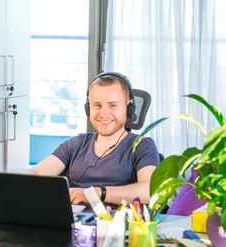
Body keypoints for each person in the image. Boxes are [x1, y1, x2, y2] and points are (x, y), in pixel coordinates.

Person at [29, 72, 160, 206]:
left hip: (116, 223)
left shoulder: (142, 145)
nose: (103, 114)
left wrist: (96, 193)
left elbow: (149, 191)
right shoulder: (76, 144)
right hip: (73, 221)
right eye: (97, 105)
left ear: (129, 108)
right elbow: (37, 172)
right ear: (88, 108)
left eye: (112, 105)